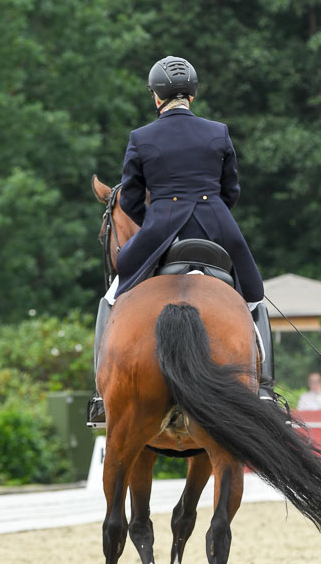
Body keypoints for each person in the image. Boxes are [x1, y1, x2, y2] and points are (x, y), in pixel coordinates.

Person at [88, 56, 276, 426]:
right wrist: (211, 218)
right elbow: (230, 190)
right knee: (254, 296)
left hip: (159, 229)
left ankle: (100, 394)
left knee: (112, 297)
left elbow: (129, 198)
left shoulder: (140, 138)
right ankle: (266, 388)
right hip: (217, 225)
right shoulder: (218, 132)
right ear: (192, 95)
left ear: (156, 96)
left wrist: (156, 221)